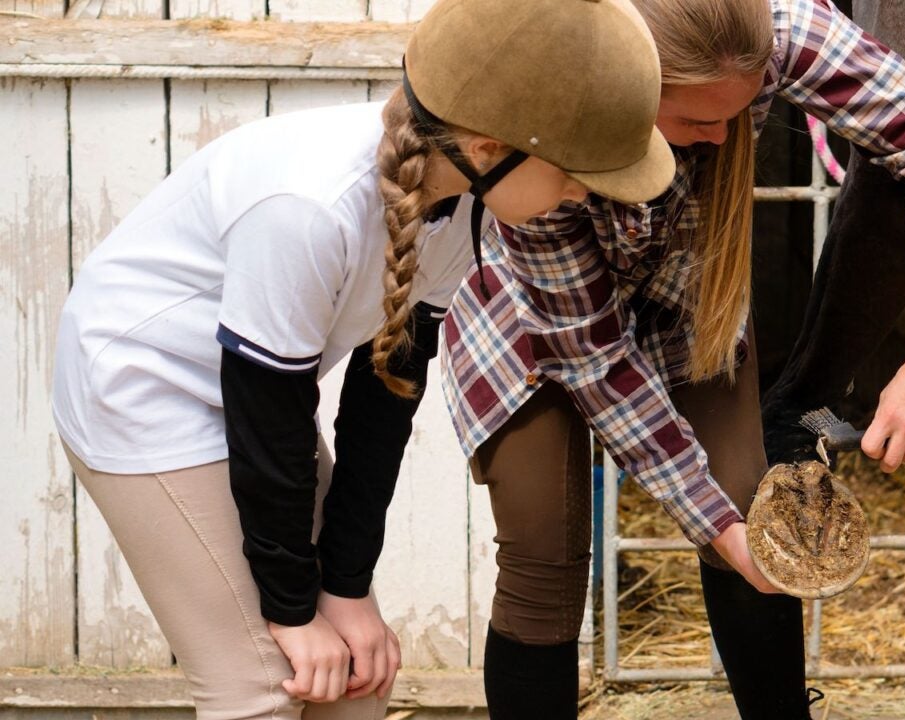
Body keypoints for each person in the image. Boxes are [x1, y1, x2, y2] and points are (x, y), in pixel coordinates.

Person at [51, 1, 674, 717]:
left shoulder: (462, 207)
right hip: (139, 385)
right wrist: (292, 608)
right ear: (484, 146)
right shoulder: (310, 206)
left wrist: (345, 587)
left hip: (252, 402)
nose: (580, 191)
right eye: (574, 170)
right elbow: (269, 411)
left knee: (356, 681)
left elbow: (383, 403)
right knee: (264, 684)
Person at [440, 0, 905, 717]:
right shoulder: (558, 100)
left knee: (748, 503)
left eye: (742, 111)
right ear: (631, 89)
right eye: (697, 120)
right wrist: (713, 527)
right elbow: (599, 366)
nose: (726, 136)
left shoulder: (780, 28)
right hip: (539, 319)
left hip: (691, 290)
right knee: (542, 555)